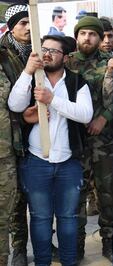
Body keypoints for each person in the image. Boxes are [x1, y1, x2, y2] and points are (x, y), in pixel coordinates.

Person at [8, 34, 93, 266]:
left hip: (68, 162)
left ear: (65, 57)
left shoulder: (77, 82)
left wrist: (52, 99)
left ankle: (68, 261)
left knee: (67, 217)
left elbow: (85, 114)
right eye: (44, 49)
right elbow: (14, 104)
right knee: (40, 217)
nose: (47, 54)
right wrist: (27, 71)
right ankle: (42, 262)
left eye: (54, 51)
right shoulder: (33, 78)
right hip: (36, 161)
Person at [65, 16, 113, 262]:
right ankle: (76, 244)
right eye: (83, 33)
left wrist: (104, 117)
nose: (87, 38)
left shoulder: (112, 63)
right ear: (77, 36)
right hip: (73, 141)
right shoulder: (66, 63)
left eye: (93, 34)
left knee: (107, 194)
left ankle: (109, 241)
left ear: (101, 38)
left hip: (103, 142)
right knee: (75, 196)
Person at [0, 4, 32, 266]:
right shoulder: (2, 55)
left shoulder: (38, 50)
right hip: (10, 136)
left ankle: (44, 241)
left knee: (36, 192)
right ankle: (18, 248)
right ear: (11, 28)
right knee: (14, 198)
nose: (28, 28)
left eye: (30, 22)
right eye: (22, 23)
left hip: (36, 131)